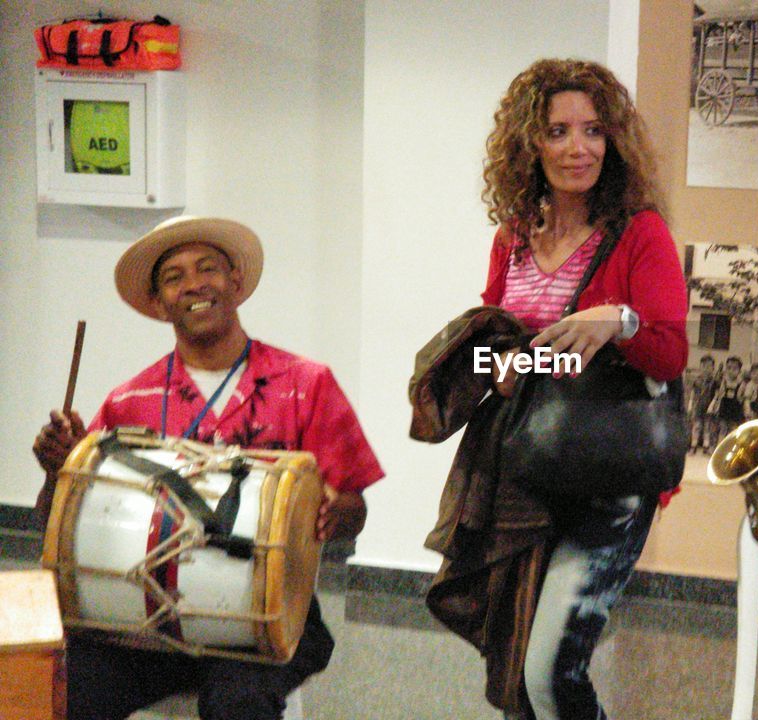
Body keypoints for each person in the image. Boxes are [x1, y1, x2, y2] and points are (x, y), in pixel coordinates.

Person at [31, 217, 383, 720]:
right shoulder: (130, 401)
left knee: (239, 702)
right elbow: (59, 527)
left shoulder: (305, 384)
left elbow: (354, 507)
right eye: (174, 276)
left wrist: (337, 515)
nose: (194, 283)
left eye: (208, 268)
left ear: (235, 283)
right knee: (62, 685)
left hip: (267, 619)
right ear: (158, 303)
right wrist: (54, 472)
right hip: (145, 618)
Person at [429, 58, 687, 720]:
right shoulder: (513, 238)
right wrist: (500, 367)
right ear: (529, 144)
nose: (578, 148)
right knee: (518, 671)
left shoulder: (640, 234)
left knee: (551, 673)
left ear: (615, 142)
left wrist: (619, 320)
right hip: (527, 470)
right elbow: (490, 341)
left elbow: (671, 350)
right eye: (558, 131)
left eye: (595, 130)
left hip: (608, 476)